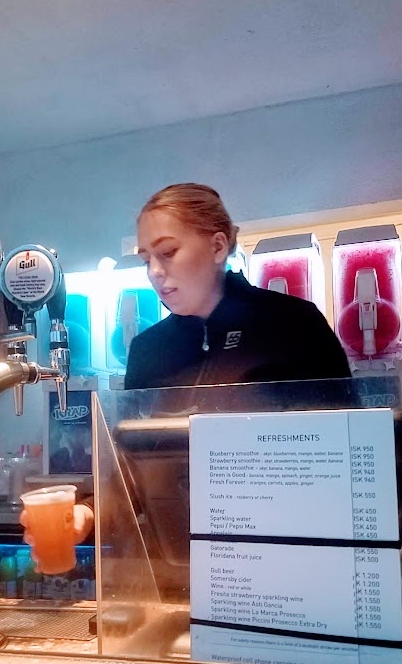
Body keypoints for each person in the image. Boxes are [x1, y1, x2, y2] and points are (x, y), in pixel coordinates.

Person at [21, 183, 350, 558]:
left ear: (217, 246)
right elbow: (131, 468)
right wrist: (87, 511)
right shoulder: (148, 350)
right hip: (180, 566)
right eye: (147, 259)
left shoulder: (293, 325)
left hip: (292, 558)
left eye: (168, 252)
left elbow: (353, 455)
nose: (155, 272)